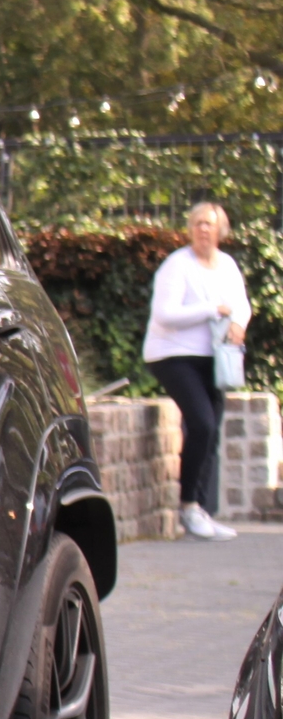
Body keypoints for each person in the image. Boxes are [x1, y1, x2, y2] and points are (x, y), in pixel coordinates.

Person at [144, 200, 251, 540]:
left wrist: (237, 322)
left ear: (221, 230)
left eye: (210, 223)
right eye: (198, 223)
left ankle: (201, 510)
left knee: (212, 431)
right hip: (172, 356)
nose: (203, 229)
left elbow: (242, 304)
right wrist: (211, 309)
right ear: (190, 229)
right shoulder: (177, 266)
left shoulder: (227, 265)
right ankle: (188, 507)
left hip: (214, 357)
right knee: (201, 423)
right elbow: (165, 315)